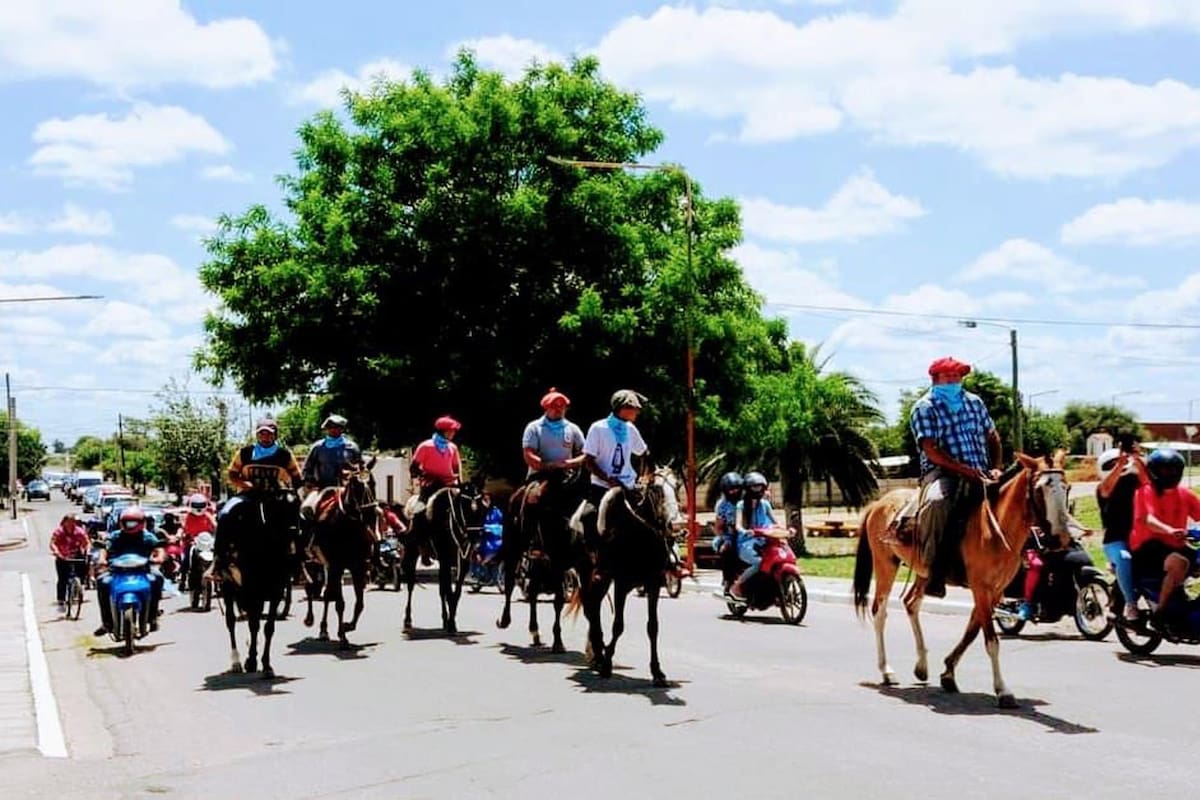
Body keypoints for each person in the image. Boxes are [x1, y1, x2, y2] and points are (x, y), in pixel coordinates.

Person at [910, 356, 1003, 597]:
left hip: (981, 470)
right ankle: (934, 570)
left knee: (1020, 498)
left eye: (958, 376)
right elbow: (930, 449)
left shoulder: (975, 402)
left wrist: (996, 467)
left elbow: (992, 436)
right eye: (949, 376)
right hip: (942, 471)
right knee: (938, 502)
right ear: (936, 378)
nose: (955, 380)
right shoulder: (925, 406)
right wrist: (964, 470)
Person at [215, 417, 303, 569]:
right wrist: (244, 484)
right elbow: (232, 474)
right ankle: (218, 561)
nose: (265, 437)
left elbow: (296, 477)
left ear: (275, 435)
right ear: (257, 435)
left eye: (269, 433)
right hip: (247, 495)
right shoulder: (245, 453)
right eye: (262, 433)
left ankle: (300, 559)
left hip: (276, 495)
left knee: (299, 517)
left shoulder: (285, 455)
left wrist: (297, 494)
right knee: (225, 514)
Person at [1130, 448, 1200, 625]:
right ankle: (1160, 614)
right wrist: (1169, 530)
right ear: (1154, 471)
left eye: (1175, 470)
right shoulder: (1146, 491)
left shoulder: (1184, 493)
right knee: (1179, 562)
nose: (1171, 474)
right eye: (1165, 470)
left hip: (1176, 544)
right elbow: (1148, 519)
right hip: (1148, 547)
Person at [581, 390, 650, 545]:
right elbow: (589, 461)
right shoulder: (598, 428)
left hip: (628, 488)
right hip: (602, 487)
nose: (638, 412)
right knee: (588, 516)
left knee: (654, 517)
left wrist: (644, 477)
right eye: (634, 408)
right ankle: (595, 560)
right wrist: (607, 479)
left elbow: (645, 453)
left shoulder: (630, 429)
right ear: (622, 408)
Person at [1097, 441, 1149, 622]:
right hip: (1115, 541)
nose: (1116, 467)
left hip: (1141, 539)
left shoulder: (1132, 482)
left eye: (1118, 463)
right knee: (1124, 558)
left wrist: (1138, 459)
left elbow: (1147, 483)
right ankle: (1131, 604)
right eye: (1110, 465)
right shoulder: (1103, 489)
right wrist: (1119, 464)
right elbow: (1105, 489)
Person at [93, 507, 164, 637]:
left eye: (134, 522)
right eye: (127, 522)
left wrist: (159, 557)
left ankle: (152, 617)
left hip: (143, 571)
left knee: (157, 578)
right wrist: (102, 559)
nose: (130, 525)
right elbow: (105, 548)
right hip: (117, 572)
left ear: (142, 522)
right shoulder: (115, 536)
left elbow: (158, 547)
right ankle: (107, 622)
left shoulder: (147, 536)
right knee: (102, 582)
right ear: (121, 522)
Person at [300, 414, 364, 520]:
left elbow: (361, 468)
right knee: (306, 509)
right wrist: (310, 482)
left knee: (368, 509)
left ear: (342, 429)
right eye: (331, 427)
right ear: (326, 429)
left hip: (348, 489)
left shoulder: (352, 447)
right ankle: (307, 535)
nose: (334, 430)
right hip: (323, 488)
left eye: (337, 427)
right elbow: (307, 469)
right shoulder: (318, 447)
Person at [728, 471, 779, 601]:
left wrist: (786, 530)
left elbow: (775, 522)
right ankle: (737, 586)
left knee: (776, 560)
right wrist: (745, 531)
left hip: (765, 540)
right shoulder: (741, 505)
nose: (758, 490)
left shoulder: (765, 504)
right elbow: (738, 525)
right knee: (759, 563)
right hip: (746, 543)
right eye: (755, 487)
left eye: (760, 487)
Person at [522, 388, 586, 478]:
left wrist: (571, 463)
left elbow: (586, 452)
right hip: (539, 475)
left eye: (562, 406)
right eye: (554, 406)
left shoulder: (573, 428)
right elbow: (528, 454)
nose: (558, 409)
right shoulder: (534, 427)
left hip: (566, 475)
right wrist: (548, 465)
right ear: (546, 407)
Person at [409, 416, 464, 511]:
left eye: (454, 431)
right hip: (430, 485)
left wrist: (459, 482)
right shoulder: (425, 446)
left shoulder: (453, 447)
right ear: (443, 431)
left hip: (449, 485)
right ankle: (415, 524)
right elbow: (413, 467)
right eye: (451, 431)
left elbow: (456, 468)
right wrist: (423, 476)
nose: (453, 433)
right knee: (419, 509)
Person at [50, 514, 90, 612]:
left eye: (73, 522)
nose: (72, 524)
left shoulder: (79, 531)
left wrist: (87, 551)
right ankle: (61, 601)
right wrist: (56, 551)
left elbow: (86, 542)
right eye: (70, 521)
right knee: (62, 579)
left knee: (84, 567)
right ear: (65, 522)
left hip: (76, 555)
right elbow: (52, 543)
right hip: (62, 557)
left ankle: (79, 586)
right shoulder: (59, 532)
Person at [711, 472, 744, 555]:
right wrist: (726, 539)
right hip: (730, 535)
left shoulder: (747, 500)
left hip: (746, 533)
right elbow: (719, 527)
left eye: (737, 488)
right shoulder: (722, 505)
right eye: (731, 489)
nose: (735, 491)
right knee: (721, 546)